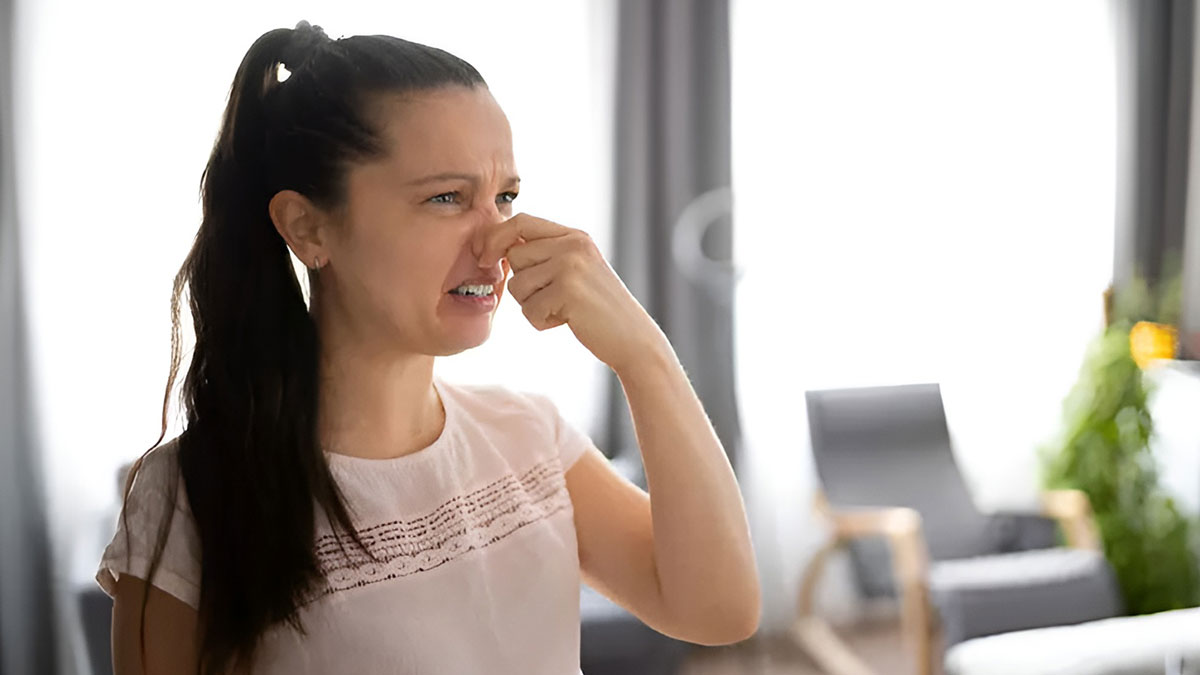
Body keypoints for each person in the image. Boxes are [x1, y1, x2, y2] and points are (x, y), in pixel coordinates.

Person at [95, 20, 759, 675]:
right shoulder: (189, 497)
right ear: (306, 225)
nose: (495, 240)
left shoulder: (529, 436)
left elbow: (720, 610)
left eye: (505, 197)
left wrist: (643, 353)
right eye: (447, 197)